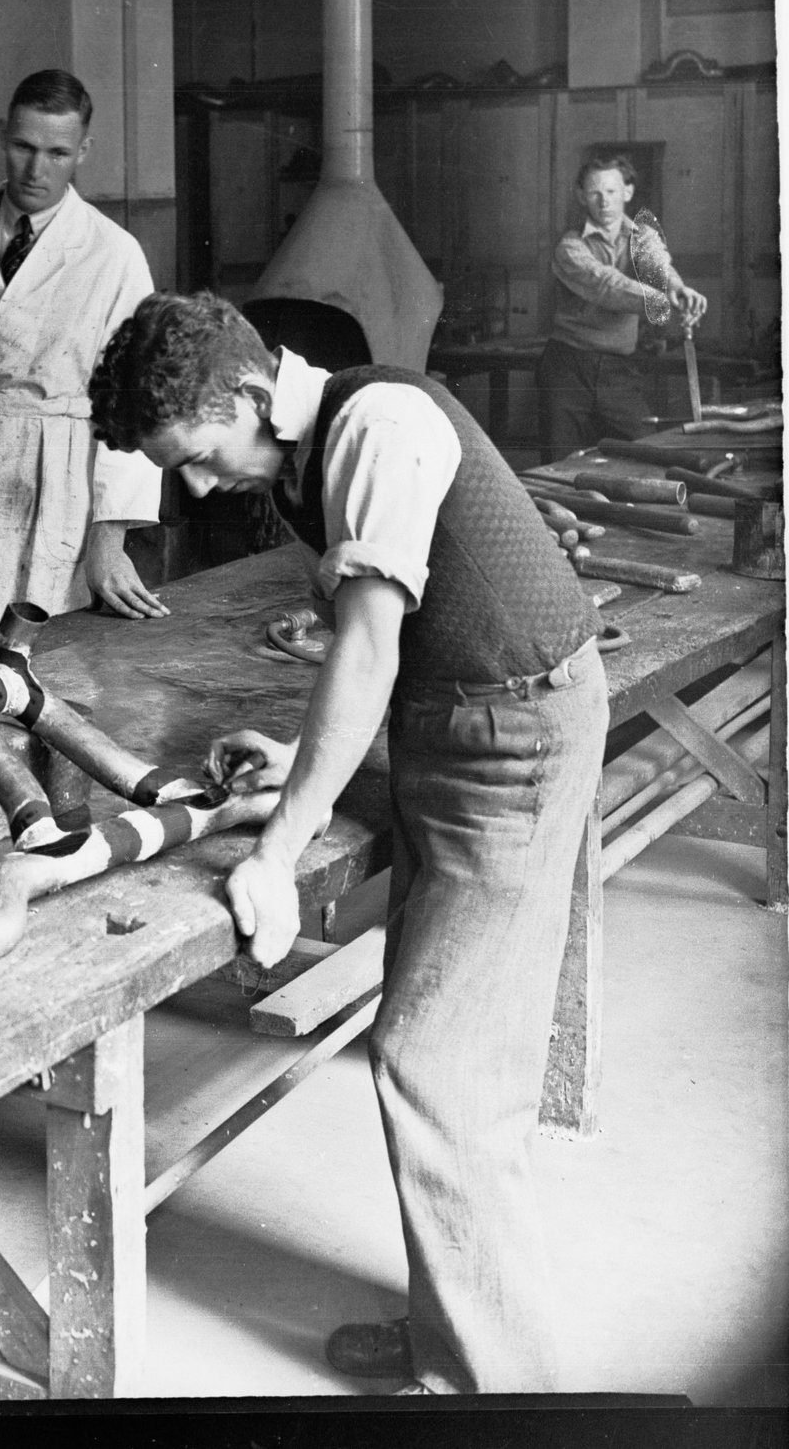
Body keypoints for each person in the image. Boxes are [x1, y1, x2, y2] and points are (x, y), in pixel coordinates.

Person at [90, 292, 607, 1395]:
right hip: (458, 720)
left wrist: (278, 847)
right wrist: (301, 758)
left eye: (192, 455)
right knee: (444, 1054)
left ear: (240, 395)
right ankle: (448, 1332)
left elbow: (368, 652)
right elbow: (385, 651)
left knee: (441, 1071)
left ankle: (499, 1391)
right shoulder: (310, 448)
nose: (190, 485)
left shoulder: (376, 425)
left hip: (505, 737)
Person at [0, 67, 168, 632]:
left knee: (40, 659)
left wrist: (110, 539)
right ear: (2, 133)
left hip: (56, 477)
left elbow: (132, 408)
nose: (36, 169)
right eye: (22, 146)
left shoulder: (113, 254)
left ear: (83, 150)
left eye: (57, 152)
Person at [539, 153, 709, 453]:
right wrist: (661, 301)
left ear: (627, 192)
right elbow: (606, 286)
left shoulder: (643, 236)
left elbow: (657, 265)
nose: (604, 202)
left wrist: (679, 289)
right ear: (581, 196)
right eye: (594, 192)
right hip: (569, 367)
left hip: (618, 370)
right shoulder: (569, 247)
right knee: (561, 463)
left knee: (645, 453)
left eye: (612, 192)